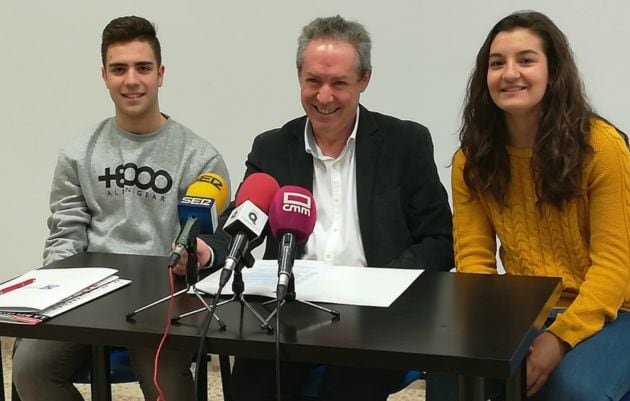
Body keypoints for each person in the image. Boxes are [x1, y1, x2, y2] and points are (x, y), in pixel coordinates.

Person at [203, 15, 454, 401]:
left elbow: (439, 240)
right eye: (313, 82)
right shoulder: (272, 147)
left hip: (374, 313)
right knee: (248, 387)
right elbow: (242, 221)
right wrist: (207, 252)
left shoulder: (405, 143)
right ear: (299, 76)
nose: (324, 97)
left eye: (339, 83)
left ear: (364, 80)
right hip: (289, 309)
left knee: (346, 387)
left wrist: (379, 283)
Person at [11, 15, 230, 401]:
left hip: (163, 298)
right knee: (29, 369)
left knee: (167, 384)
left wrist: (194, 259)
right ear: (105, 76)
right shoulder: (78, 154)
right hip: (88, 295)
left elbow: (216, 240)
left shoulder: (199, 157)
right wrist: (56, 290)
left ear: (160, 74)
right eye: (119, 69)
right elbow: (65, 236)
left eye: (142, 68)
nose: (131, 80)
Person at [452, 10, 630, 401]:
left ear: (554, 72)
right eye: (497, 63)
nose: (509, 73)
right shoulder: (472, 159)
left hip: (616, 311)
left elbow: (614, 268)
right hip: (527, 310)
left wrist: (560, 338)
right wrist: (492, 332)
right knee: (454, 378)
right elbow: (474, 263)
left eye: (526, 60)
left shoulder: (601, 147)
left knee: (572, 390)